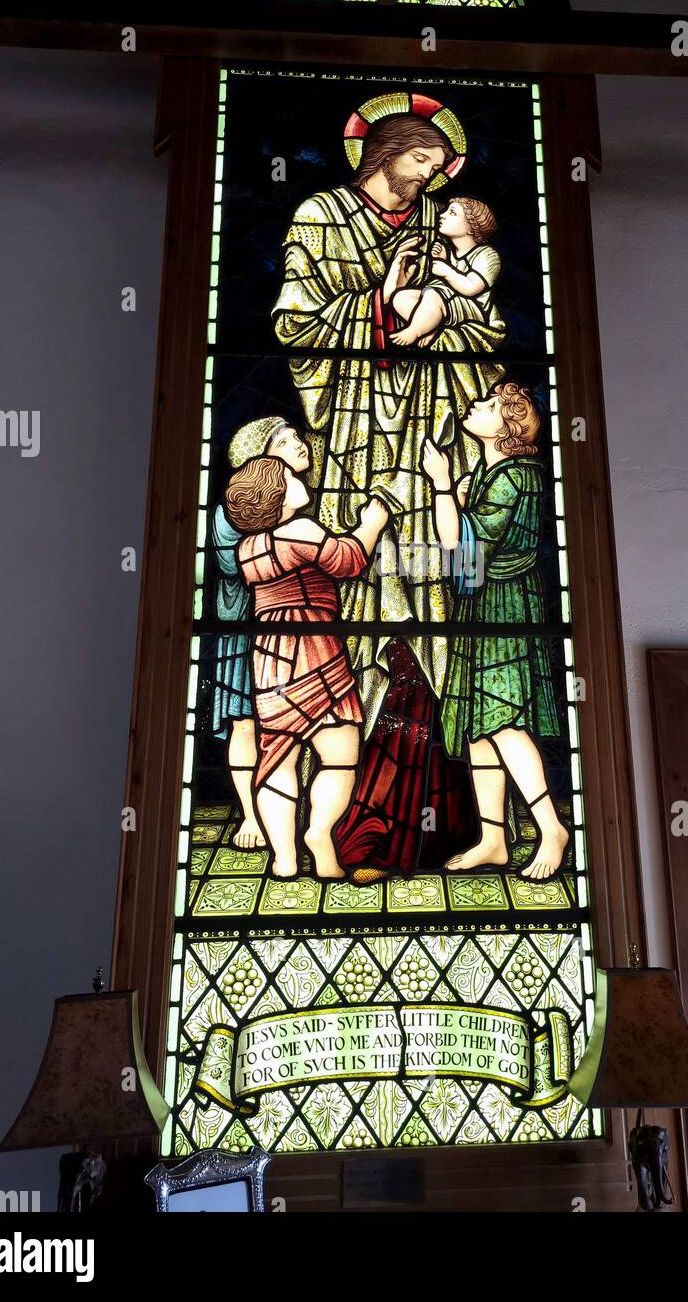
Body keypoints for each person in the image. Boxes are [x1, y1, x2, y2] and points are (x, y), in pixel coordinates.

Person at [272, 105, 506, 876]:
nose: (435, 176)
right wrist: (380, 307)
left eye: (442, 166)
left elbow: (489, 331)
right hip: (353, 445)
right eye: (424, 161)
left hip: (433, 439)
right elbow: (293, 326)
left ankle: (442, 821)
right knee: (368, 615)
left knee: (432, 613)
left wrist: (442, 312)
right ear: (385, 152)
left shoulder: (448, 225)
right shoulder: (319, 217)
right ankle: (344, 823)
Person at [421, 383, 569, 881]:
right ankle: (493, 838)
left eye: (486, 406)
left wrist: (441, 484)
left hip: (504, 606)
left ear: (507, 428)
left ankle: (550, 828)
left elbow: (459, 549)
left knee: (504, 722)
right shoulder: (494, 471)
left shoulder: (514, 477)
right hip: (484, 603)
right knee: (479, 730)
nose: (474, 407)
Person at [224, 454, 388, 880]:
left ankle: (284, 856)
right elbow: (348, 560)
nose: (298, 478)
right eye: (288, 477)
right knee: (339, 756)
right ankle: (318, 832)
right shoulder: (299, 529)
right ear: (275, 495)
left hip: (270, 658)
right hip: (314, 648)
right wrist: (372, 523)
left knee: (277, 756)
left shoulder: (248, 548)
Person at [211, 417, 310, 851]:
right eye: (285, 440)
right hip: (245, 633)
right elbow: (236, 567)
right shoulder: (233, 509)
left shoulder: (307, 497)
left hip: (293, 634)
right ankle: (251, 816)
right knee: (247, 725)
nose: (299, 443)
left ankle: (295, 813)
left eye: (295, 434)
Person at [390, 197, 500, 348]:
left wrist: (446, 270)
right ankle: (431, 327)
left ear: (471, 227)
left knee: (432, 294)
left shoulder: (487, 254)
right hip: (448, 304)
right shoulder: (451, 253)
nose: (442, 214)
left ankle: (414, 331)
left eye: (452, 213)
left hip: (473, 311)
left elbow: (471, 288)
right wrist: (444, 260)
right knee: (401, 297)